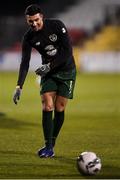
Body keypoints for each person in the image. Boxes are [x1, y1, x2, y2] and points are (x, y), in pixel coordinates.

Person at [13, 4, 76, 158]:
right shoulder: (28, 38)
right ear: (27, 21)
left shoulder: (57, 25)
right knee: (47, 106)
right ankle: (48, 147)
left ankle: (52, 141)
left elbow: (68, 51)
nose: (34, 24)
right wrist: (19, 86)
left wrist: (49, 66)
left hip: (67, 70)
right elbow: (25, 63)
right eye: (30, 21)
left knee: (59, 108)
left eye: (36, 20)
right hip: (49, 73)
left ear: (41, 16)